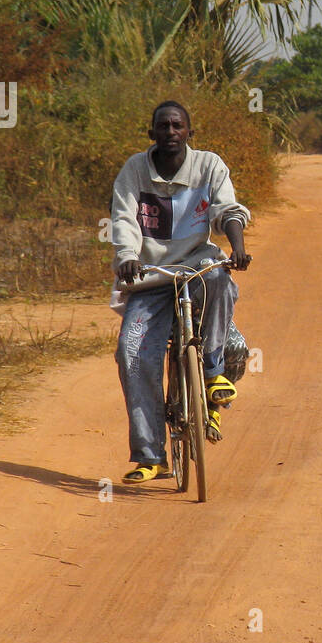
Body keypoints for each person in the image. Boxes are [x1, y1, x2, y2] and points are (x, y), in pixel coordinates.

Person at [110, 100, 252, 484]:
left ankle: (212, 372)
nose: (171, 132)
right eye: (163, 126)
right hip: (150, 276)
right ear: (151, 133)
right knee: (132, 352)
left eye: (178, 126)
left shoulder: (209, 165)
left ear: (190, 132)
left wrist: (236, 247)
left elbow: (227, 209)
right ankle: (150, 456)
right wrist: (126, 256)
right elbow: (123, 219)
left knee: (220, 278)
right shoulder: (134, 170)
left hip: (196, 267)